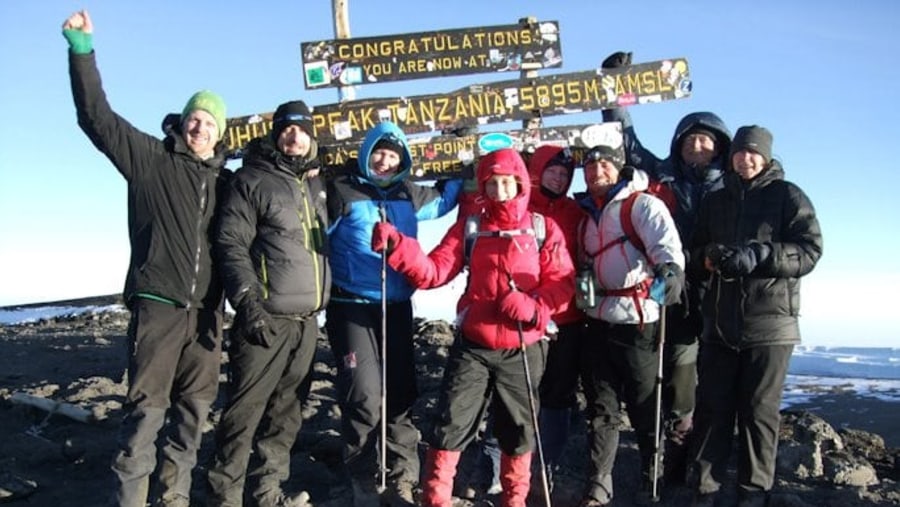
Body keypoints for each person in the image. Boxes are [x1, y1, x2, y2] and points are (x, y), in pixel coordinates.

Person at [63, 10, 230, 507]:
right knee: (145, 414)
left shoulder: (227, 184)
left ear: (219, 134)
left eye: (208, 122)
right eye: (193, 118)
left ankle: (173, 498)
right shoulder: (151, 160)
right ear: (182, 122)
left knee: (192, 416)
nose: (198, 127)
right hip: (157, 307)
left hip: (206, 317)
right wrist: (82, 51)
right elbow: (97, 117)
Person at [370, 147, 575, 507]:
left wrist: (532, 306)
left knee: (519, 431)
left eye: (506, 183)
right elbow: (434, 270)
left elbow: (562, 283)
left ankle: (514, 501)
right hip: (474, 345)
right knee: (450, 423)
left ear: (520, 183)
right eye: (491, 183)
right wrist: (399, 247)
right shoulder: (472, 225)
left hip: (523, 348)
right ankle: (436, 499)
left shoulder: (543, 228)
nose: (499, 190)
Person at [601, 50, 733, 482]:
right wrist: (614, 88)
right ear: (679, 144)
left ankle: (692, 459)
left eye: (707, 140)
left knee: (700, 383)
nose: (699, 145)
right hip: (665, 293)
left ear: (720, 146)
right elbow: (626, 142)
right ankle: (667, 459)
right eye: (691, 139)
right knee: (668, 374)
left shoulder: (732, 187)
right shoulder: (662, 176)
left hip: (717, 298)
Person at [324, 121, 463, 506]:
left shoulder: (408, 194)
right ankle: (363, 477)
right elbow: (317, 240)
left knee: (401, 393)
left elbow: (448, 197)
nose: (385, 161)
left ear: (403, 161)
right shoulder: (340, 191)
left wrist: (459, 152)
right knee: (364, 394)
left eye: (393, 155)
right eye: (379, 153)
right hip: (351, 306)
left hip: (397, 306)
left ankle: (402, 475)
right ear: (367, 153)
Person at [688, 126, 822, 507]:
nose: (745, 159)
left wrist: (760, 255)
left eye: (752, 153)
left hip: (771, 326)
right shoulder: (716, 201)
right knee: (712, 408)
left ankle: (753, 493)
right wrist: (710, 256)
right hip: (719, 325)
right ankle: (706, 489)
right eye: (738, 153)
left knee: (759, 412)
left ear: (765, 157)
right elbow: (693, 254)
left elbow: (810, 250)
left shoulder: (787, 196)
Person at [206, 100, 330, 507]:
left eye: (302, 129)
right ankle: (225, 497)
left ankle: (267, 492)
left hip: (306, 323)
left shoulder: (314, 185)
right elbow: (230, 243)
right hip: (264, 319)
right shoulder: (252, 179)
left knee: (287, 414)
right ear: (276, 134)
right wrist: (248, 303)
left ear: (311, 135)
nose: (294, 136)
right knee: (244, 413)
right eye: (287, 129)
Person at [575, 145, 685, 506]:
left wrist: (670, 271)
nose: (595, 171)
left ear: (619, 168)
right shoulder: (585, 215)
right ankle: (599, 482)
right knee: (601, 408)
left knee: (644, 405)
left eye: (603, 164)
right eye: (589, 166)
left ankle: (651, 475)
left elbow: (666, 247)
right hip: (596, 320)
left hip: (637, 320)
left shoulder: (641, 205)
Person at [524, 145, 588, 492]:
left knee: (558, 394)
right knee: (517, 392)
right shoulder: (518, 205)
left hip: (568, 316)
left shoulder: (576, 212)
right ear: (536, 169)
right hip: (525, 318)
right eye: (552, 170)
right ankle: (497, 467)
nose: (558, 178)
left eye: (564, 174)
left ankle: (547, 467)